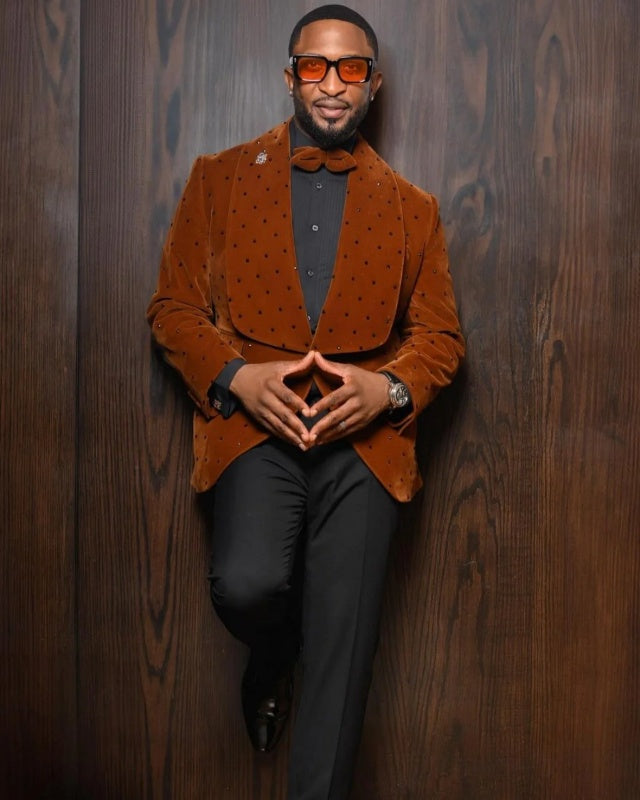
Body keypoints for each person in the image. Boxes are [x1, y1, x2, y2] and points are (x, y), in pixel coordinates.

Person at [147, 4, 464, 798]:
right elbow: (173, 309)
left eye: (350, 68)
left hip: (366, 450)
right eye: (314, 67)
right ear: (290, 76)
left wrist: (387, 387)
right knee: (247, 584)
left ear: (373, 84)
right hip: (257, 434)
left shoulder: (415, 208)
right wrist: (238, 377)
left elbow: (440, 338)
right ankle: (273, 650)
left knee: (345, 648)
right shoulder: (218, 178)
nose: (331, 84)